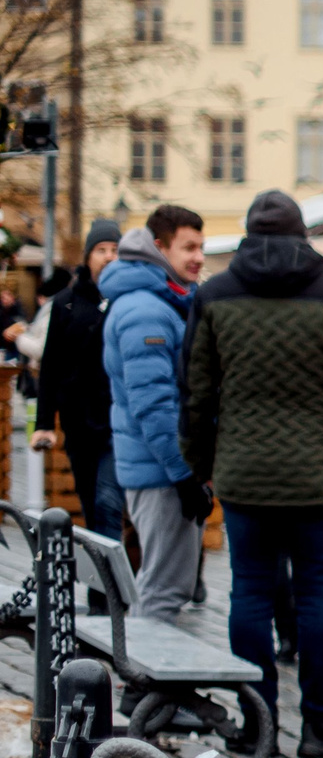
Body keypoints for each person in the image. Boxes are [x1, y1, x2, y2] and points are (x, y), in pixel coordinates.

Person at [184, 191, 323, 758]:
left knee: (248, 593)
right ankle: (320, 726)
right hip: (321, 476)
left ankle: (257, 725)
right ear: (303, 235)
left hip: (244, 475)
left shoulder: (215, 297)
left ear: (248, 234)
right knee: (318, 597)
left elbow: (196, 395)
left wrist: (203, 465)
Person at [101, 207, 210, 621]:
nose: (198, 257)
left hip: (160, 468)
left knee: (163, 585)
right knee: (163, 591)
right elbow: (154, 404)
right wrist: (184, 474)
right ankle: (144, 684)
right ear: (159, 248)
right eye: (189, 247)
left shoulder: (163, 302)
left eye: (201, 247)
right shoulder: (146, 311)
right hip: (161, 472)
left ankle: (147, 682)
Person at [32, 222, 124, 540]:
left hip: (117, 421)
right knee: (90, 506)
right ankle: (105, 586)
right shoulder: (66, 303)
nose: (109, 257)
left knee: (108, 503)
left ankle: (107, 590)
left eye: (115, 250)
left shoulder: (127, 301)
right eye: (102, 250)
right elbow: (51, 368)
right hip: (79, 423)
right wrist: (43, 423)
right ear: (88, 257)